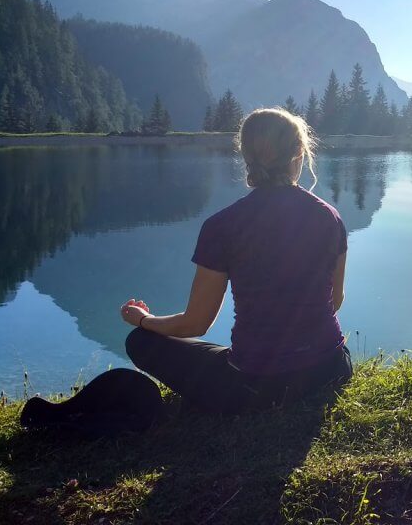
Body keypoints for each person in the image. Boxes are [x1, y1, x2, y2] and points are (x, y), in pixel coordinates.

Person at [120, 108, 352, 415]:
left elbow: (196, 323)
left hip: (254, 386)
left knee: (140, 342)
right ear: (299, 152)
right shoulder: (328, 217)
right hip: (331, 369)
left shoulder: (223, 226)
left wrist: (143, 320)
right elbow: (334, 301)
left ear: (245, 154)